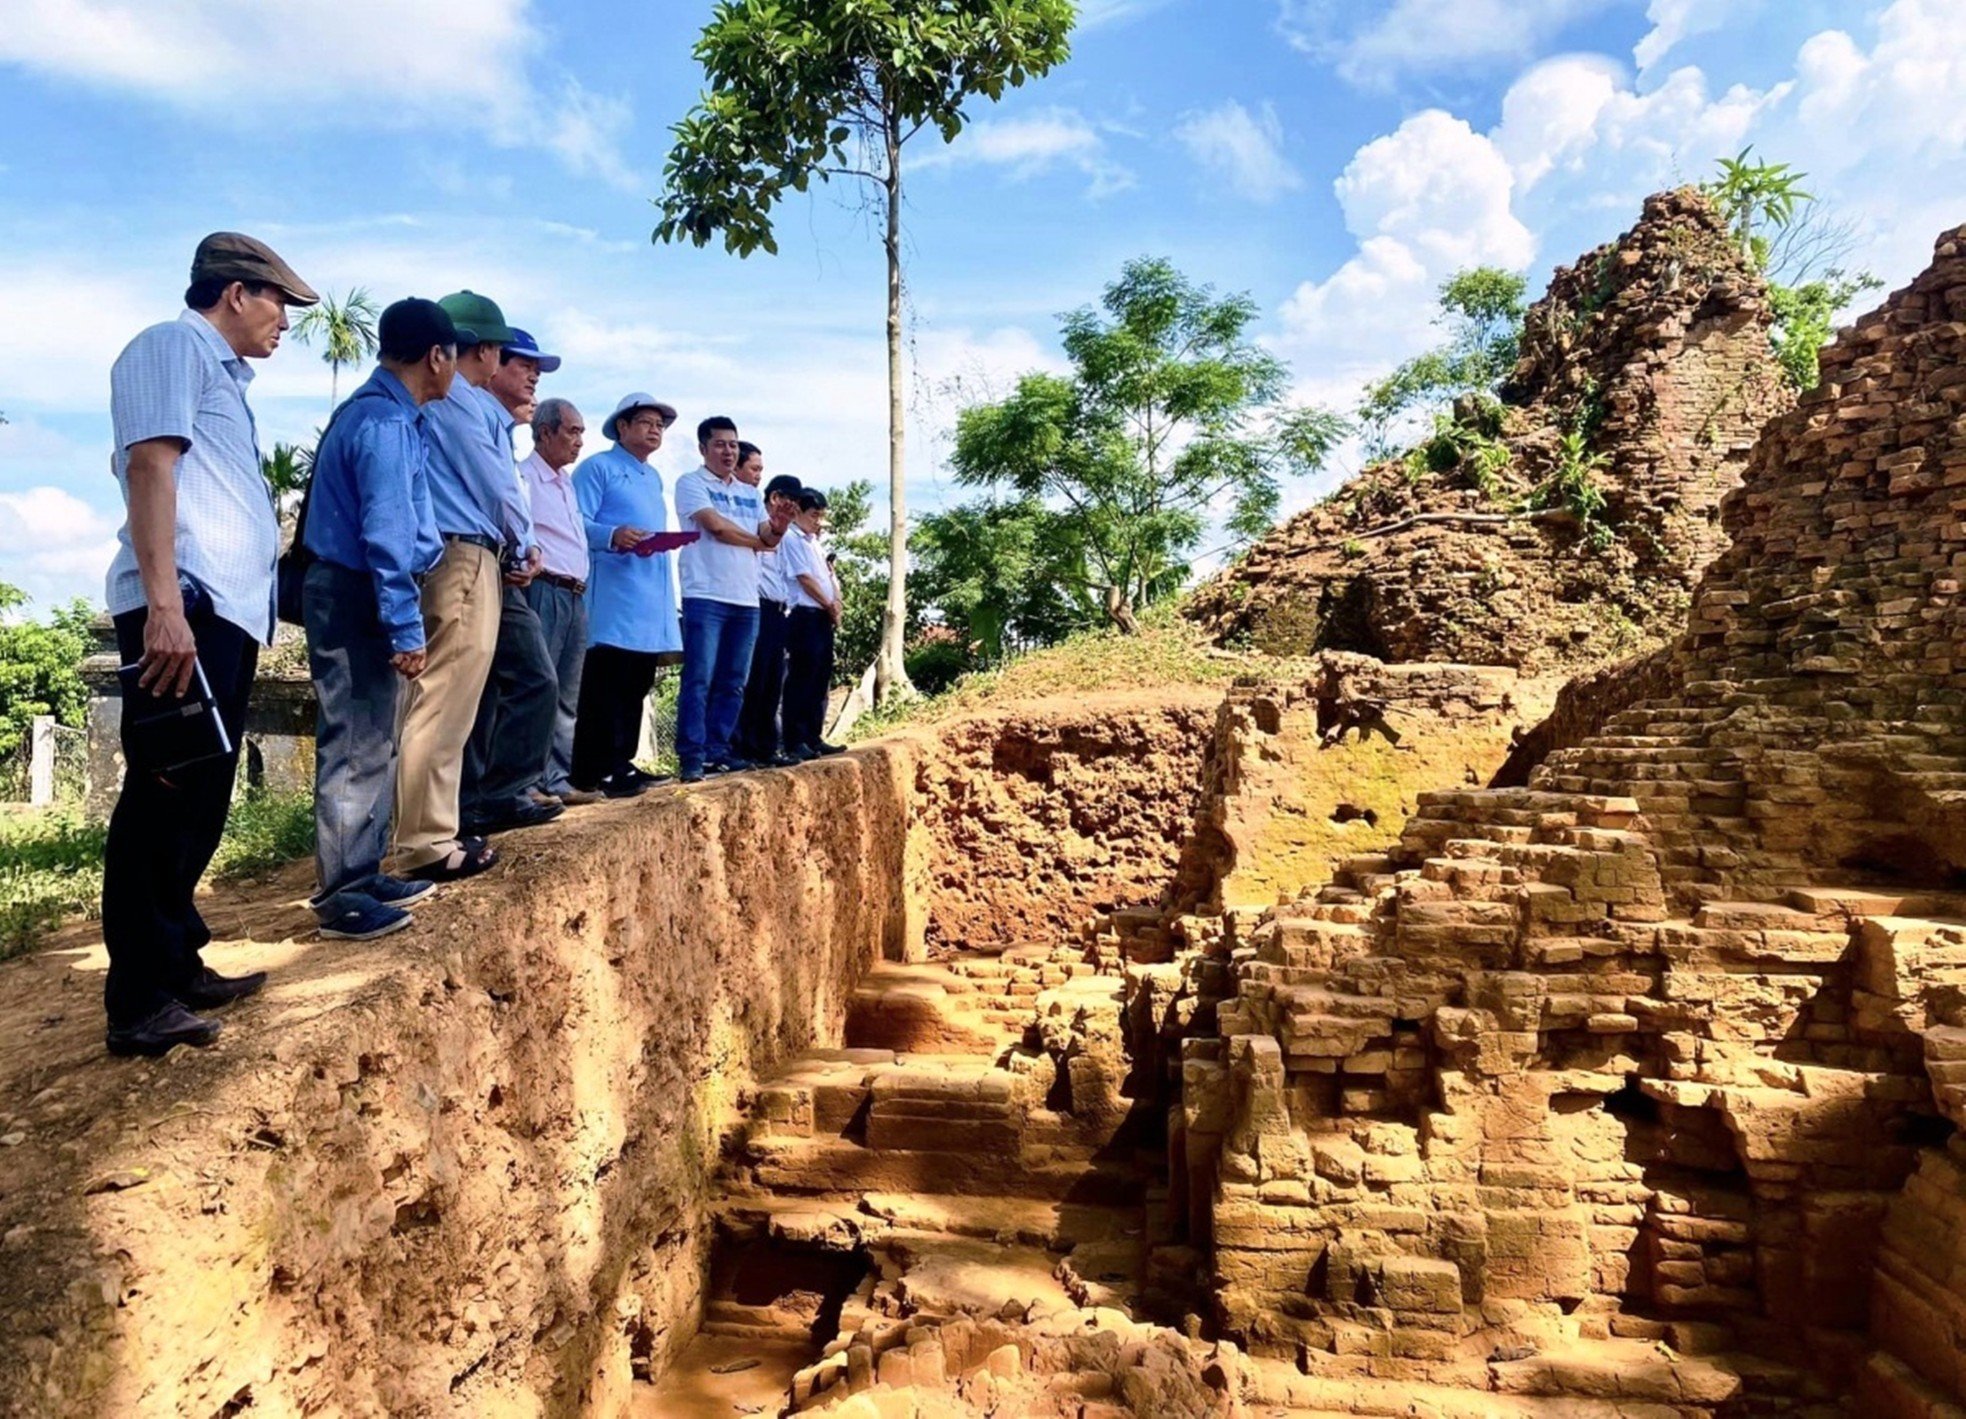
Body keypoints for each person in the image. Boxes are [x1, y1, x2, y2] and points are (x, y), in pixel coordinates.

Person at [100, 232, 319, 1057]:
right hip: (180, 607)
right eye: (277, 304)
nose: (284, 322)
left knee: (200, 796)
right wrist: (163, 605)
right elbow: (151, 468)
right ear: (234, 293)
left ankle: (176, 958)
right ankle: (137, 999)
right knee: (162, 796)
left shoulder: (221, 373)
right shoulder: (170, 347)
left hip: (219, 612)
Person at [301, 298, 458, 942]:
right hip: (357, 590)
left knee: (376, 736)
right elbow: (388, 535)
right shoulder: (385, 424)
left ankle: (361, 873)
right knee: (357, 739)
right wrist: (404, 626)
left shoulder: (387, 416)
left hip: (357, 587)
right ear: (437, 357)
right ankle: (342, 894)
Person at [395, 290, 532, 881]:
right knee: (444, 698)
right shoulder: (462, 405)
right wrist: (525, 542)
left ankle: (430, 830)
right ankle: (424, 842)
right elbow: (497, 484)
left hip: (462, 552)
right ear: (489, 352)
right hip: (463, 554)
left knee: (447, 698)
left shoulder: (453, 404)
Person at [458, 325, 561, 835]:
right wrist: (522, 547)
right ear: (491, 361)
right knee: (521, 680)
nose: (534, 378)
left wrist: (530, 548)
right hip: (477, 562)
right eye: (525, 366)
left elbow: (511, 504)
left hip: (507, 566)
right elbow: (492, 495)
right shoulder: (467, 414)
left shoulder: (499, 427)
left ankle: (494, 793)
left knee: (508, 684)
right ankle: (493, 794)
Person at [570, 393, 684, 797]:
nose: (655, 430)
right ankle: (593, 769)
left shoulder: (653, 477)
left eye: (660, 425)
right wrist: (611, 535)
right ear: (622, 426)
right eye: (647, 422)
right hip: (613, 592)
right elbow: (572, 520)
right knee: (605, 683)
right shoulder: (596, 468)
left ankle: (623, 762)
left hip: (648, 592)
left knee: (637, 681)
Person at [672, 416, 793, 783]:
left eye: (733, 445)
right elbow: (717, 528)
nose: (728, 451)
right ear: (703, 448)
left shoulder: (750, 494)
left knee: (733, 680)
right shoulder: (691, 484)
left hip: (746, 600)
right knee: (699, 678)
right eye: (721, 444)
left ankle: (717, 751)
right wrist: (759, 540)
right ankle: (692, 756)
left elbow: (768, 539)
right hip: (705, 594)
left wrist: (779, 526)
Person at [519, 397, 596, 805]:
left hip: (575, 593)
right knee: (538, 687)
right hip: (543, 589)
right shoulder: (525, 477)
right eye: (572, 431)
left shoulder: (567, 482)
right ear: (545, 432)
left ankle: (556, 779)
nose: (579, 441)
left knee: (567, 692)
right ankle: (526, 782)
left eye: (581, 432)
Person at [733, 453, 804, 765]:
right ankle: (743, 747)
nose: (794, 509)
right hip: (755, 605)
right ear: (776, 498)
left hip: (777, 610)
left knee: (772, 680)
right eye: (754, 469)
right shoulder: (753, 520)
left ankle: (764, 747)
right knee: (754, 678)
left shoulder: (779, 529)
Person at [779, 489, 847, 761]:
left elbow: (826, 576)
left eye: (821, 515)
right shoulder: (791, 539)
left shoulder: (813, 542)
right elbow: (805, 578)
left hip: (822, 617)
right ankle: (794, 740)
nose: (818, 521)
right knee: (801, 677)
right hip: (804, 614)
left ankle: (813, 736)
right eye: (814, 514)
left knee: (820, 677)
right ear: (798, 512)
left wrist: (835, 603)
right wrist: (829, 604)